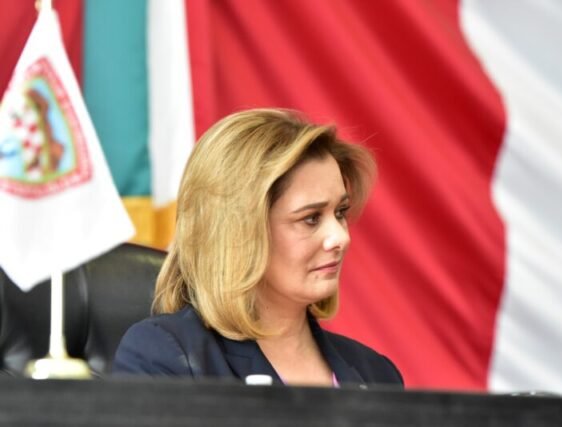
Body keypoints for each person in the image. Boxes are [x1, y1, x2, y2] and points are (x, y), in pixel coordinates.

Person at [112, 108, 403, 388]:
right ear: (238, 232)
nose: (340, 237)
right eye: (311, 218)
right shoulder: (164, 356)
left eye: (340, 212)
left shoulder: (377, 374)